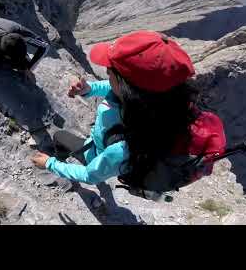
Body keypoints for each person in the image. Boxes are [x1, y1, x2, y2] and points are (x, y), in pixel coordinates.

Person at [31, 30, 226, 193]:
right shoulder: (158, 103)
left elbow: (90, 175)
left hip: (97, 154)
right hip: (105, 149)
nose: (106, 72)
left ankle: (60, 158)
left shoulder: (126, 148)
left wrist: (50, 164)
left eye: (110, 71)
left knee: (59, 137)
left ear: (128, 89)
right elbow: (113, 88)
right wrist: (88, 89)